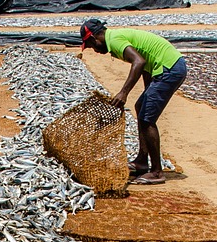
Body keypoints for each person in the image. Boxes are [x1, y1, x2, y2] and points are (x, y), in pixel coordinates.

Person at [79, 19, 187, 185]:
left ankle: (157, 172)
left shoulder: (114, 40)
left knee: (146, 119)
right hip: (167, 66)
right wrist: (148, 93)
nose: (94, 50)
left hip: (170, 68)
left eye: (91, 46)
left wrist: (123, 93)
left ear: (94, 38)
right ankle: (142, 161)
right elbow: (145, 63)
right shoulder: (115, 36)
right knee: (141, 107)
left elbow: (139, 61)